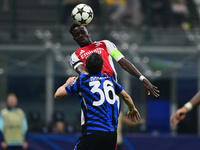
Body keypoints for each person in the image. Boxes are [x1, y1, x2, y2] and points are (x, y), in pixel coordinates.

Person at [55, 53, 141, 150]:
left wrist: (67, 83)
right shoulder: (109, 80)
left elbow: (57, 95)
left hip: (93, 132)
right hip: (111, 135)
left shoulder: (82, 81)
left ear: (86, 67)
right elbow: (126, 96)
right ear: (102, 66)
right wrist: (132, 108)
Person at [69, 23, 160, 97]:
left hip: (111, 93)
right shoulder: (75, 55)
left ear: (88, 32)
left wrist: (143, 79)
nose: (80, 36)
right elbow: (83, 74)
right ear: (74, 39)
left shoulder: (105, 44)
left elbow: (123, 62)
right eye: (77, 35)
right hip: (92, 95)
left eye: (82, 32)